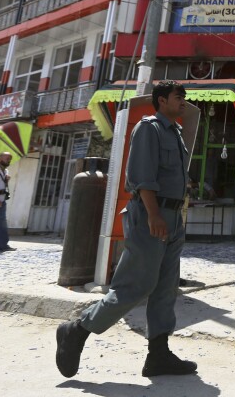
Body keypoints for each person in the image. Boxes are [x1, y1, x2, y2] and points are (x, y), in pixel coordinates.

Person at [55, 80, 197, 378]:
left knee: (165, 288)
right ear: (161, 101)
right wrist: (154, 214)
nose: (183, 100)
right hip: (151, 214)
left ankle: (158, 355)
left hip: (171, 216)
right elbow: (141, 176)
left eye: (184, 96)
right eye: (177, 96)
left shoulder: (177, 132)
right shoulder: (150, 128)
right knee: (137, 285)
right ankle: (77, 330)